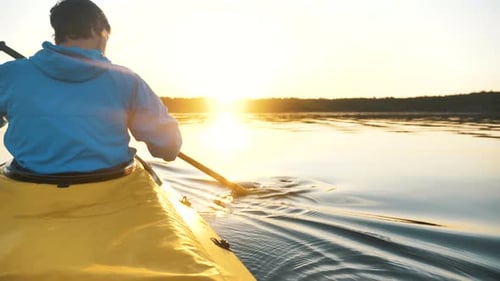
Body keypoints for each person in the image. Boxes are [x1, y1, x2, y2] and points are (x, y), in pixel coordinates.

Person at [0, 0, 182, 174]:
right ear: (97, 29)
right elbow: (168, 148)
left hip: (28, 187)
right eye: (106, 38)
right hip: (112, 187)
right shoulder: (127, 80)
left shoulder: (9, 74)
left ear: (58, 35)